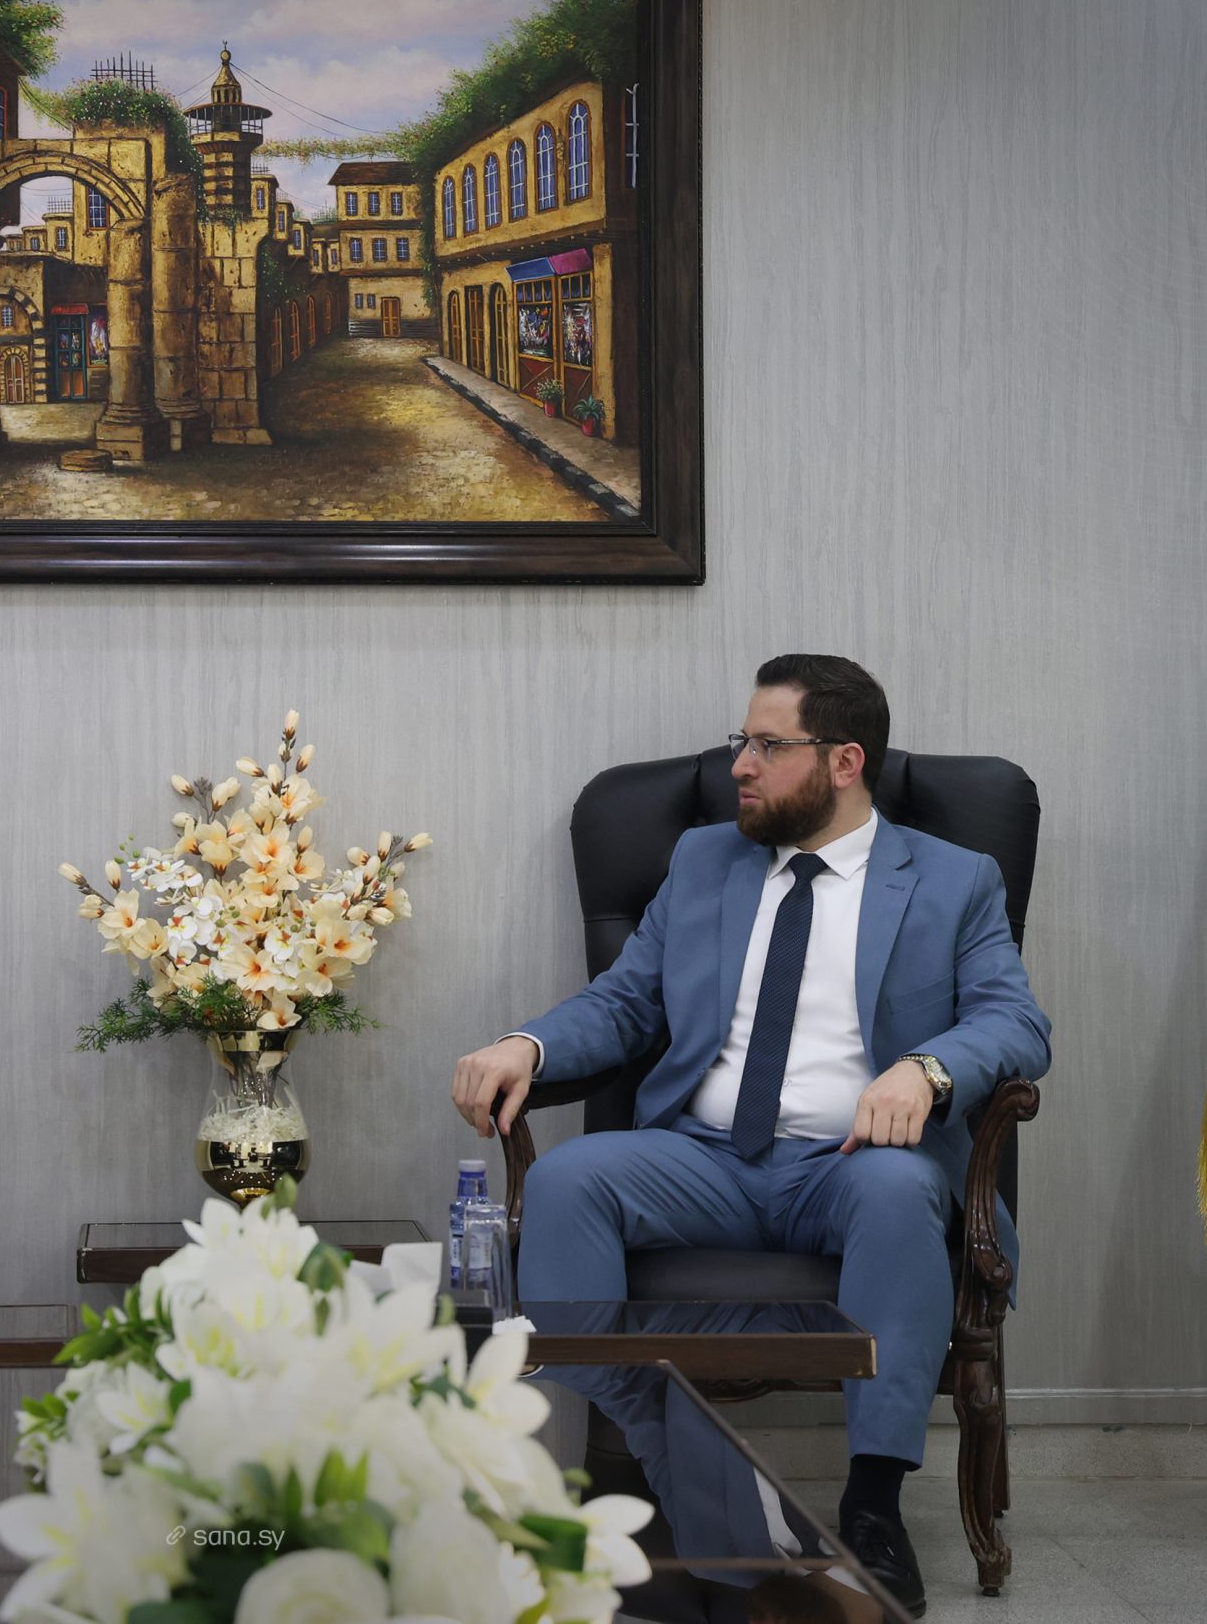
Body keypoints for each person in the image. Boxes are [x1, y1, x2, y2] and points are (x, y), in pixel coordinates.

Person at [450, 654, 1050, 1618]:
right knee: (568, 1182)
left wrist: (927, 1070)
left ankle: (872, 1511)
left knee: (900, 1193)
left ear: (845, 761)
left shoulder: (953, 878)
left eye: (768, 745)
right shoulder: (704, 861)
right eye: (744, 741)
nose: (741, 764)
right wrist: (529, 1043)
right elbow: (625, 1001)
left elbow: (1015, 1021)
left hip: (854, 1164)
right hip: (705, 1158)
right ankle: (665, 1479)